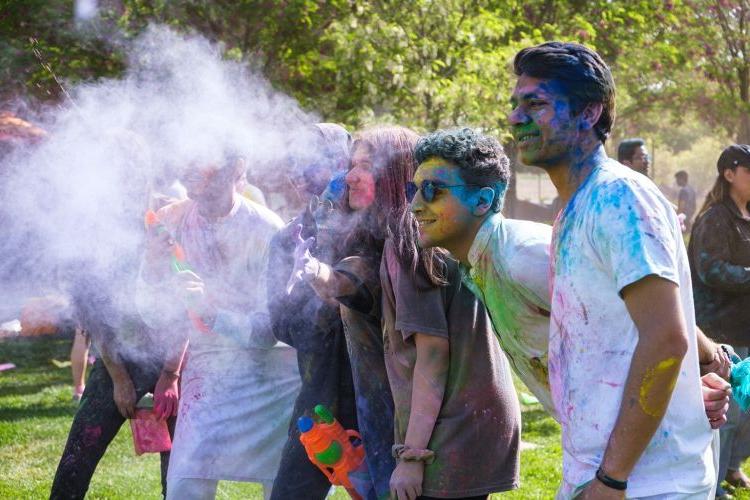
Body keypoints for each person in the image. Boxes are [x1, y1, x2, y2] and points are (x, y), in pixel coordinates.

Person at [409, 126, 731, 499]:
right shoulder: (478, 263)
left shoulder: (521, 257)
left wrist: (709, 361)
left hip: (649, 468)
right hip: (605, 453)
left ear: (482, 200)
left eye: (432, 190)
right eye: (412, 190)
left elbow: (652, 315)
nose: (416, 204)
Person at [512, 41, 715, 498]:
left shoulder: (618, 197)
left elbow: (665, 336)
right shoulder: (575, 207)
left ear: (589, 112)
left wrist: (612, 478)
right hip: (601, 471)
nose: (515, 118)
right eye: (515, 104)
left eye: (535, 103)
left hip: (647, 484)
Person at [138, 153, 301, 500]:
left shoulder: (268, 230)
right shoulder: (172, 219)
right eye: (192, 173)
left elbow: (269, 332)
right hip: (208, 369)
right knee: (185, 485)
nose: (197, 184)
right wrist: (153, 265)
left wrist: (213, 313)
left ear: (236, 172)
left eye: (209, 174)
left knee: (282, 487)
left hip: (271, 375)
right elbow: (152, 315)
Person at [287, 126, 421, 500]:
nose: (349, 176)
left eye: (365, 165)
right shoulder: (366, 238)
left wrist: (317, 273)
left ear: (398, 173)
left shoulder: (419, 248)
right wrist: (317, 270)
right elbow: (343, 284)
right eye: (351, 165)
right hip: (382, 420)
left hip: (424, 430)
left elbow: (345, 281)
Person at [51, 133, 179, 500]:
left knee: (180, 477)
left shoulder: (166, 217)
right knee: (74, 466)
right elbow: (93, 310)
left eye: (134, 169)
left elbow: (186, 302)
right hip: (115, 359)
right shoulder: (94, 229)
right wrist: (119, 377)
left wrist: (171, 375)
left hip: (171, 362)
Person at [381, 213, 521, 499]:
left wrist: (412, 458)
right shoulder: (445, 218)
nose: (349, 178)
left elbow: (433, 354)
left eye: (366, 166)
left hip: (452, 426)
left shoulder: (410, 233)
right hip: (476, 416)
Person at [266, 123, 359, 500]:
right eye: (293, 162)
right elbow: (280, 323)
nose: (298, 173)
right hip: (320, 397)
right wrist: (322, 310)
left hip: (383, 393)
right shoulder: (288, 239)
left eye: (310, 161)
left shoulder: (374, 228)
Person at [689, 144, 750, 497]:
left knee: (747, 410)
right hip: (718, 331)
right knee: (728, 413)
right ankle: (710, 485)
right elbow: (709, 270)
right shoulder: (716, 218)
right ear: (729, 174)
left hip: (745, 325)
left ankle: (731, 466)